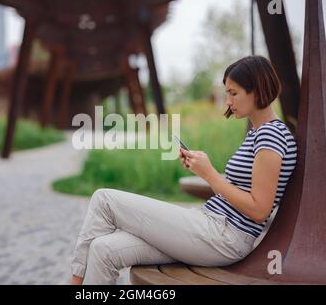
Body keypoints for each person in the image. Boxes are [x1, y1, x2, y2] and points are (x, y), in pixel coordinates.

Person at [69, 55, 298, 285]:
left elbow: (259, 209)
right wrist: (203, 170)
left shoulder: (271, 135)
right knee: (103, 248)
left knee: (104, 199)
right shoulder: (258, 133)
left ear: (257, 90)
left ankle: (74, 284)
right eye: (227, 93)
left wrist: (209, 175)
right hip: (208, 224)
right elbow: (240, 189)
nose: (228, 101)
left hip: (224, 236)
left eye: (234, 93)